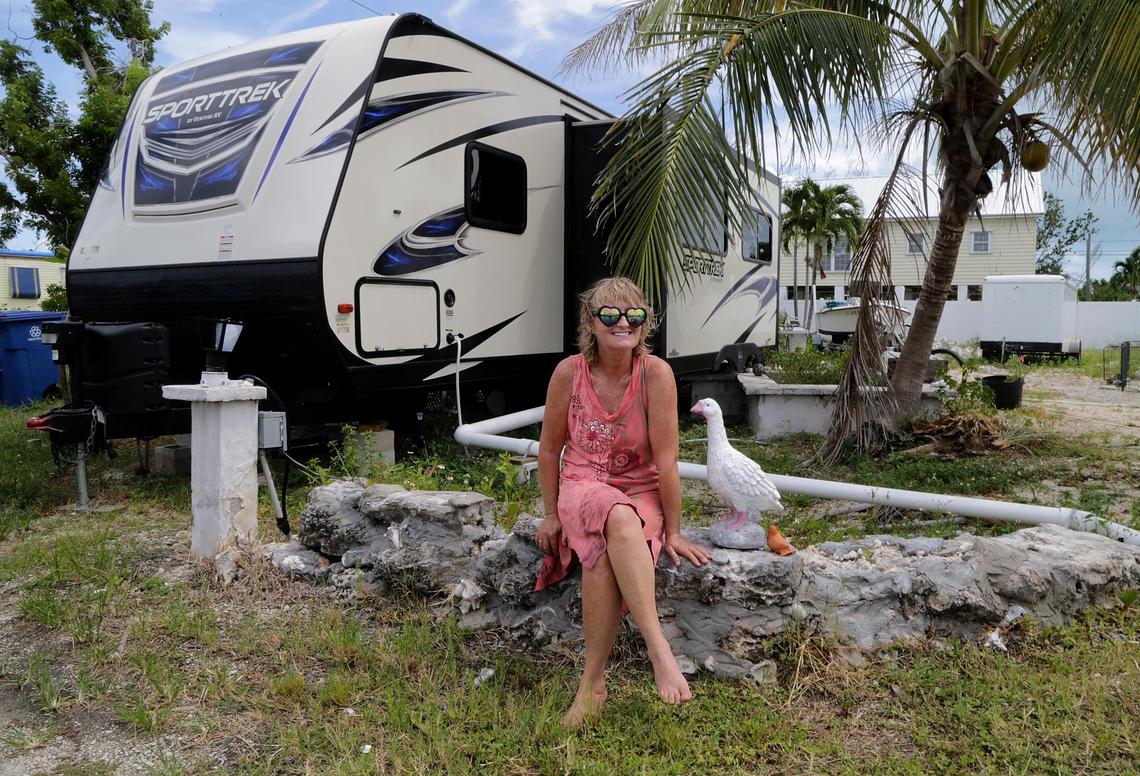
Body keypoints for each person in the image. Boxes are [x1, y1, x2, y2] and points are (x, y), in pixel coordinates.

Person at [534, 276, 711, 727]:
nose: (623, 323)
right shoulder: (568, 373)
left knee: (603, 551)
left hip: (640, 488)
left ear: (645, 324)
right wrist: (551, 513)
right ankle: (658, 647)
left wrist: (673, 531)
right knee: (613, 516)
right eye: (609, 314)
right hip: (584, 481)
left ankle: (592, 686)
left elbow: (667, 461)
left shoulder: (656, 375)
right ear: (589, 323)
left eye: (634, 315)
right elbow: (550, 449)